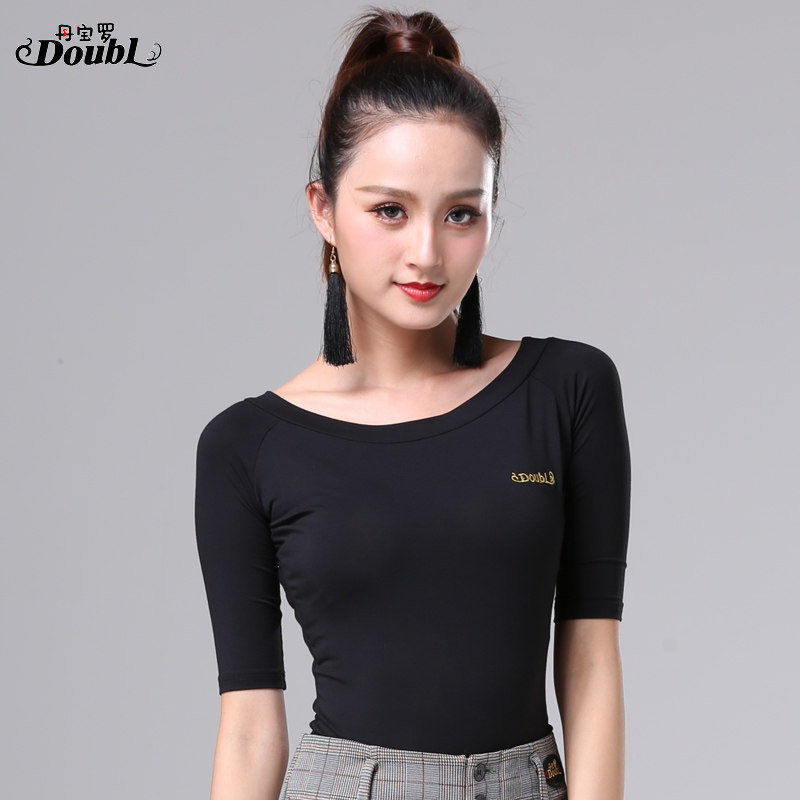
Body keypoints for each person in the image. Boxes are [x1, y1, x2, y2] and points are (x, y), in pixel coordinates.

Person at [194, 8, 631, 800]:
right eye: (389, 210)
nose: (427, 252)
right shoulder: (245, 446)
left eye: (461, 212)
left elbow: (592, 659)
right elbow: (250, 724)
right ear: (323, 210)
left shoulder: (568, 388)